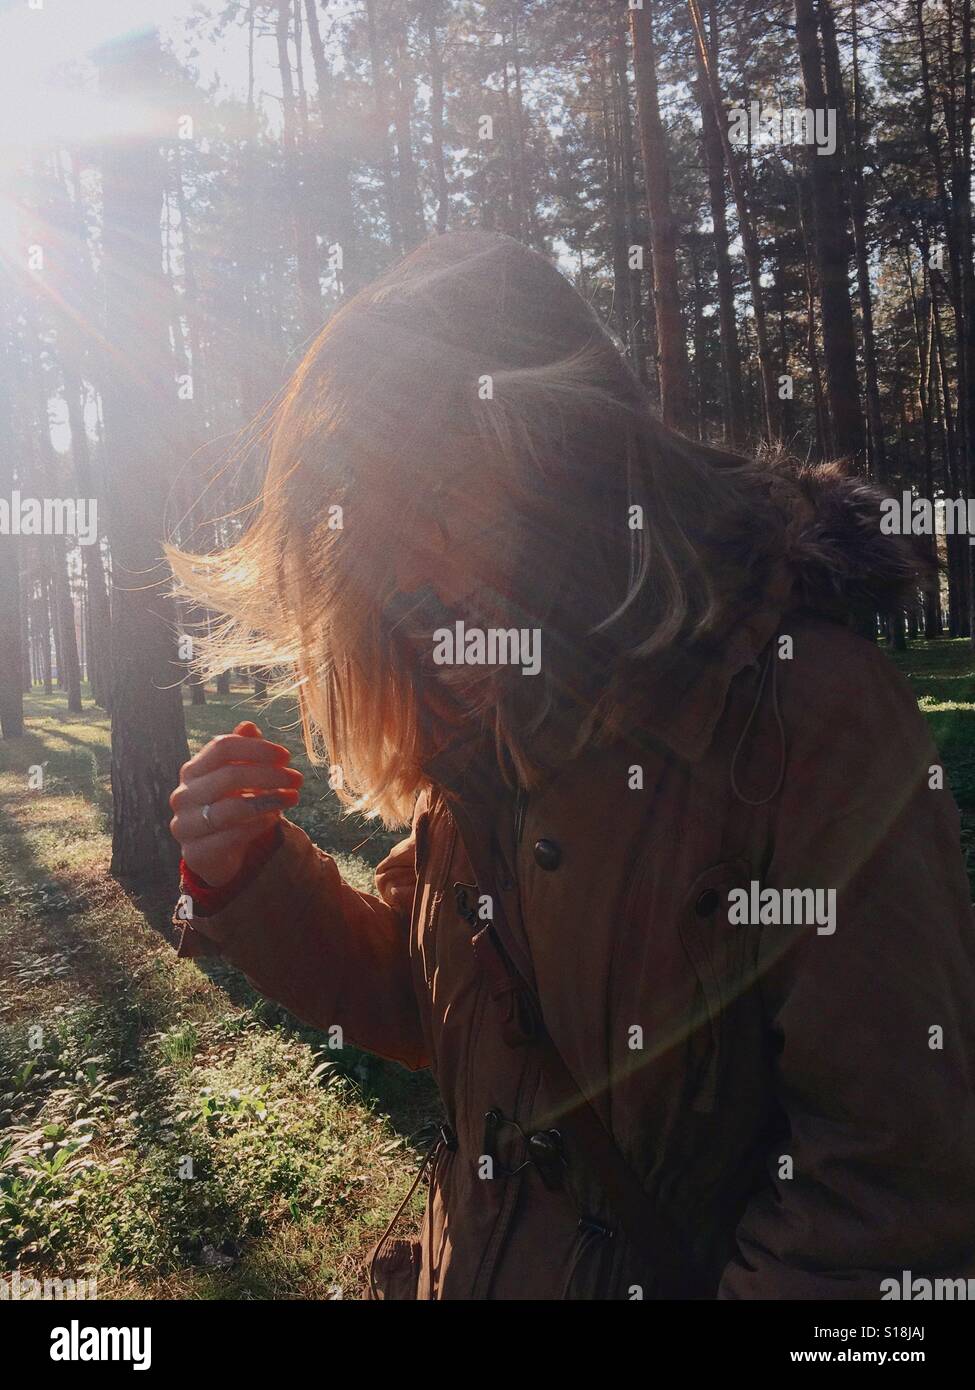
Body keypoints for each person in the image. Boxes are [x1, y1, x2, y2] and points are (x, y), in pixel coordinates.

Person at [166, 230, 975, 1299]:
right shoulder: (490, 722)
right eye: (380, 520)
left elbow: (885, 1209)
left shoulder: (803, 713)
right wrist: (255, 878)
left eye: (452, 493)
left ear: (580, 455)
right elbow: (434, 1007)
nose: (415, 567)